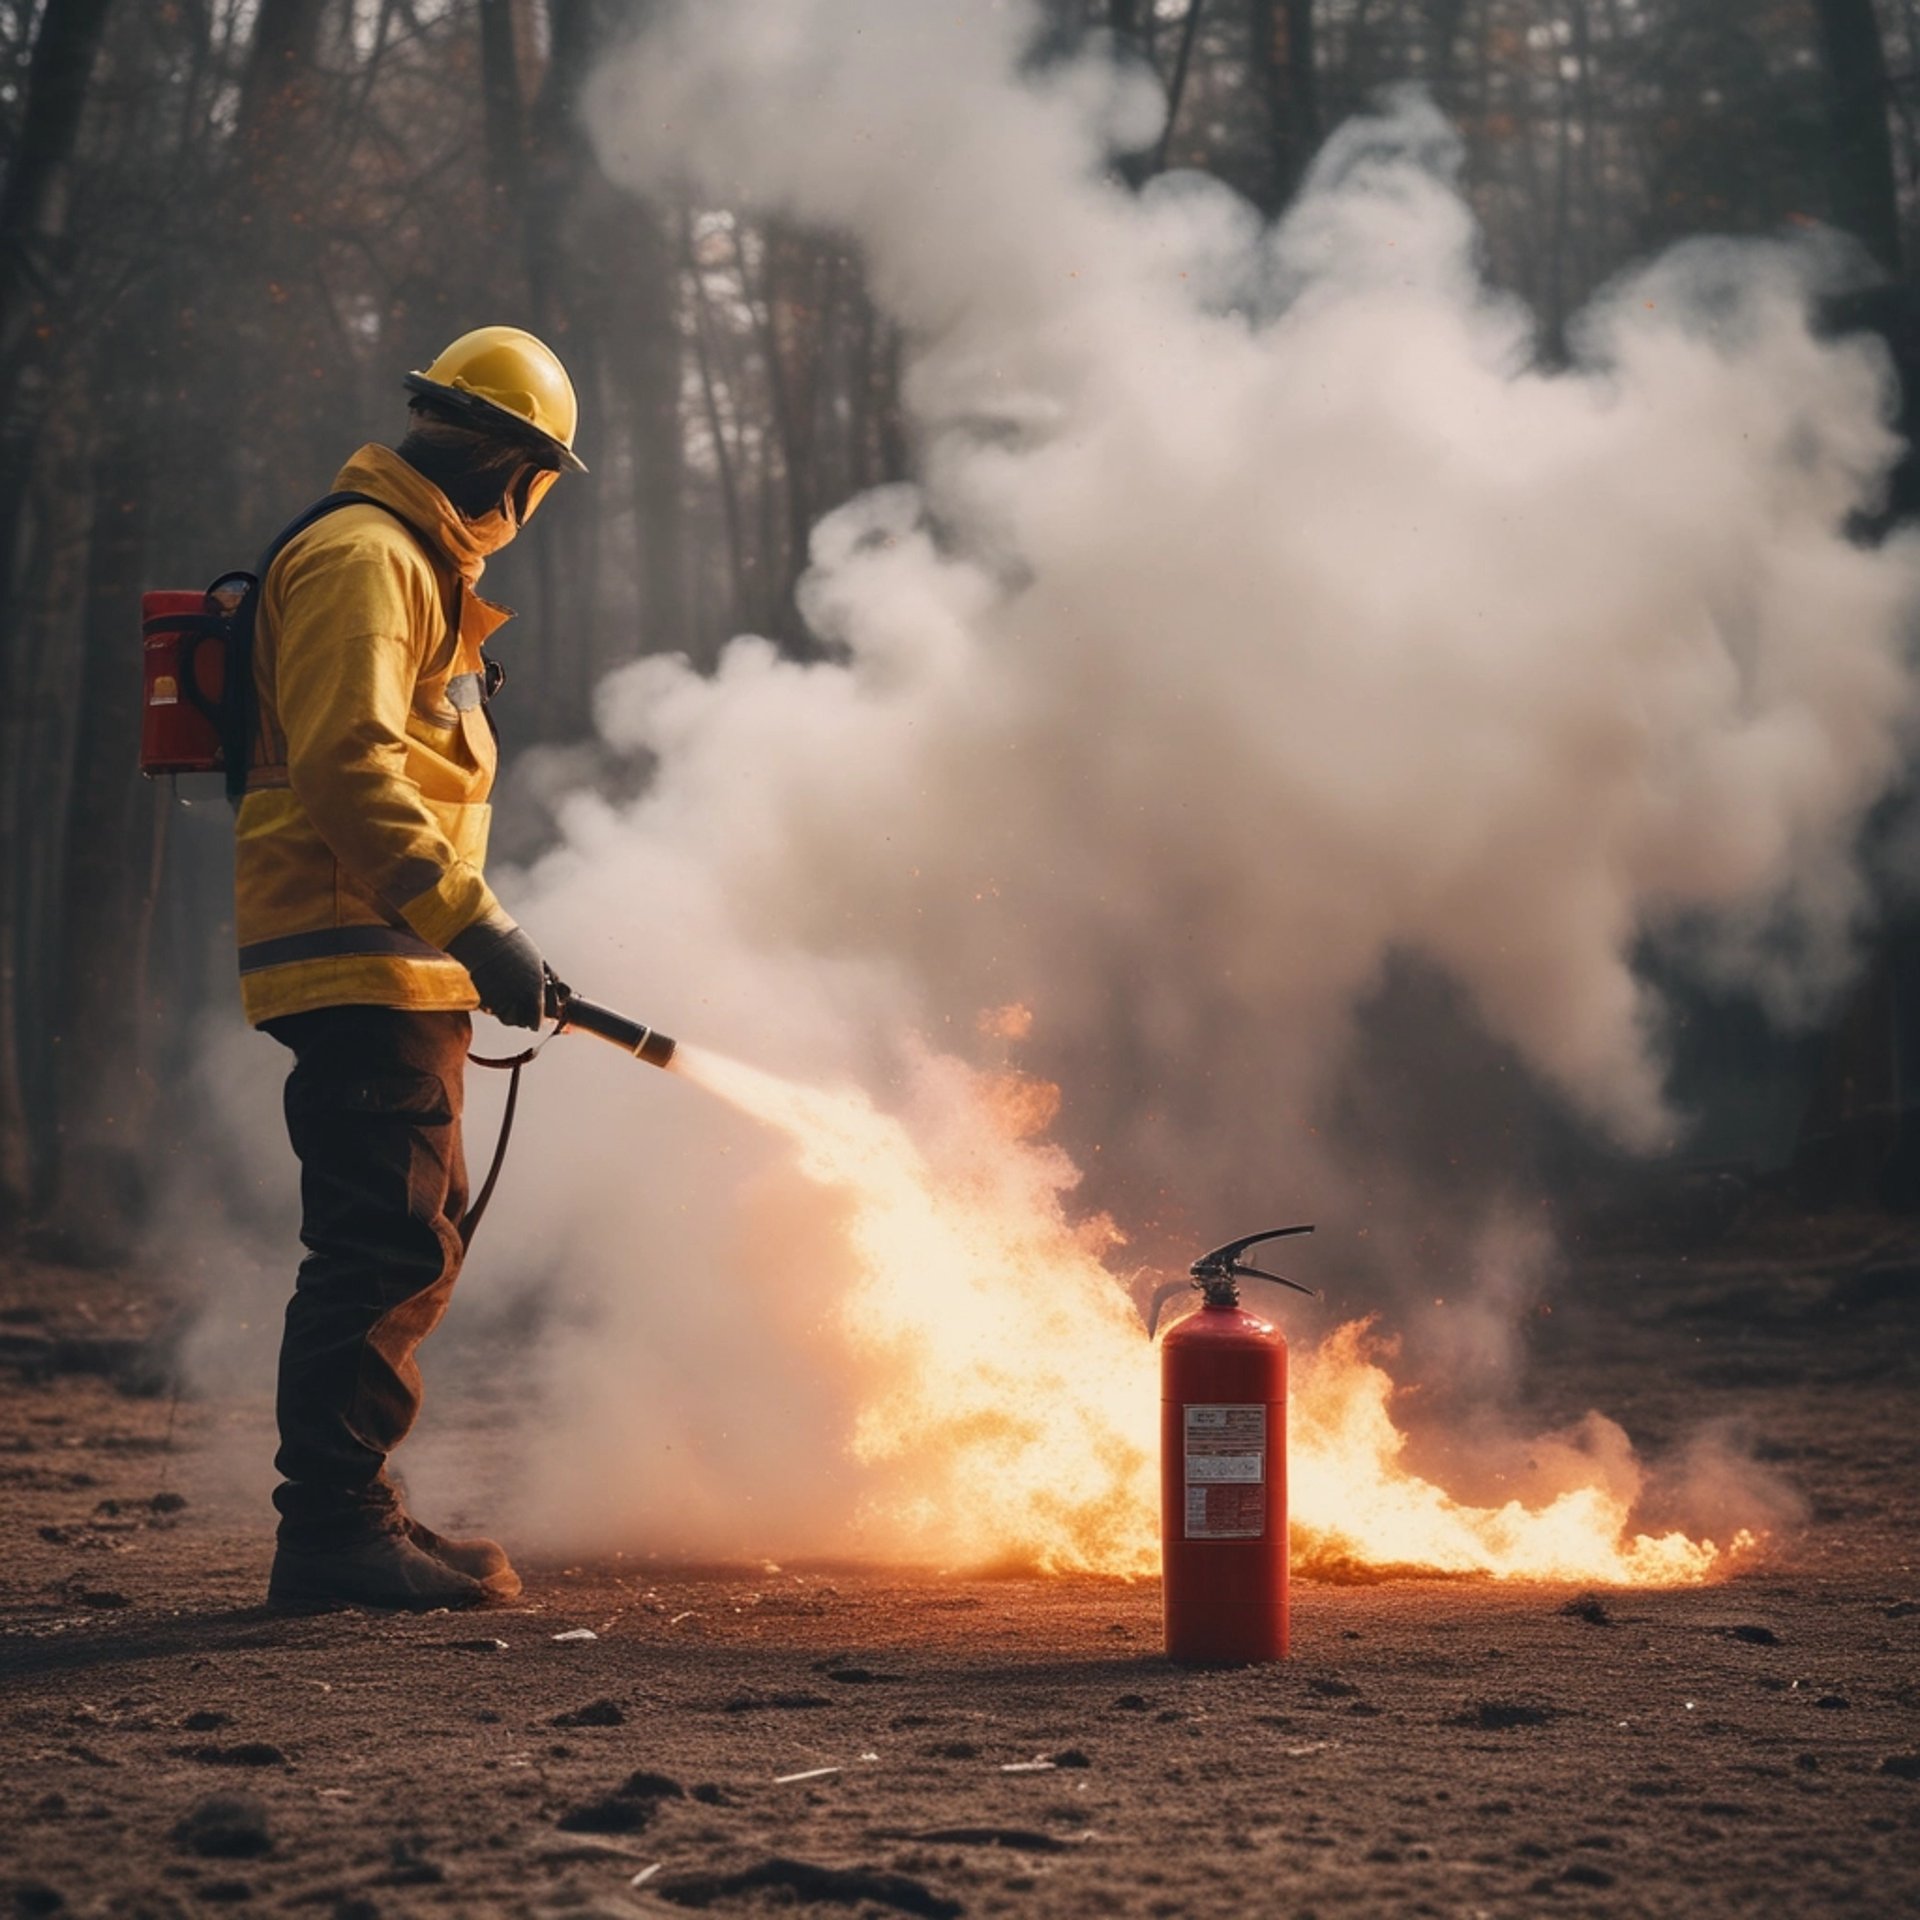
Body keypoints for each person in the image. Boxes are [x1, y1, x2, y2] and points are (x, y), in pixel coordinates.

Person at [235, 326, 584, 1611]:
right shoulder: (368, 558)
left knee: (409, 1238)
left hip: (398, 960)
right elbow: (346, 768)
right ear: (514, 463)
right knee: (380, 1242)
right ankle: (329, 1534)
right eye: (538, 476)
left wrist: (467, 937)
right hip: (359, 955)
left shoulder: (411, 561)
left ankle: (357, 1510)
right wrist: (475, 924)